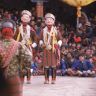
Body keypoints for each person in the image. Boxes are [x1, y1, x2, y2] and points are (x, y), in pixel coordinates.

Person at [0, 19, 32, 96]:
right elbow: (28, 58)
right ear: (13, 32)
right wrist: (23, 70)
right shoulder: (18, 45)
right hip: (13, 78)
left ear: (1, 32)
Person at [14, 10, 38, 84]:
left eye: (26, 18)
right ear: (21, 19)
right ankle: (21, 78)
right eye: (23, 18)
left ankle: (28, 78)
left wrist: (33, 45)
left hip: (28, 48)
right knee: (20, 64)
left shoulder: (31, 29)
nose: (25, 20)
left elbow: (36, 39)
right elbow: (14, 38)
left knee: (28, 64)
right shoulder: (18, 29)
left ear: (29, 20)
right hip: (20, 47)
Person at [39, 13, 62, 84]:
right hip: (46, 49)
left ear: (53, 21)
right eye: (47, 20)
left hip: (53, 50)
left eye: (51, 20)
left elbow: (60, 39)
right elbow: (40, 39)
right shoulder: (43, 30)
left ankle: (53, 79)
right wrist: (41, 43)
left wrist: (58, 44)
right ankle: (46, 79)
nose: (49, 21)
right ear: (45, 21)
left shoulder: (56, 31)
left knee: (53, 66)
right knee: (46, 66)